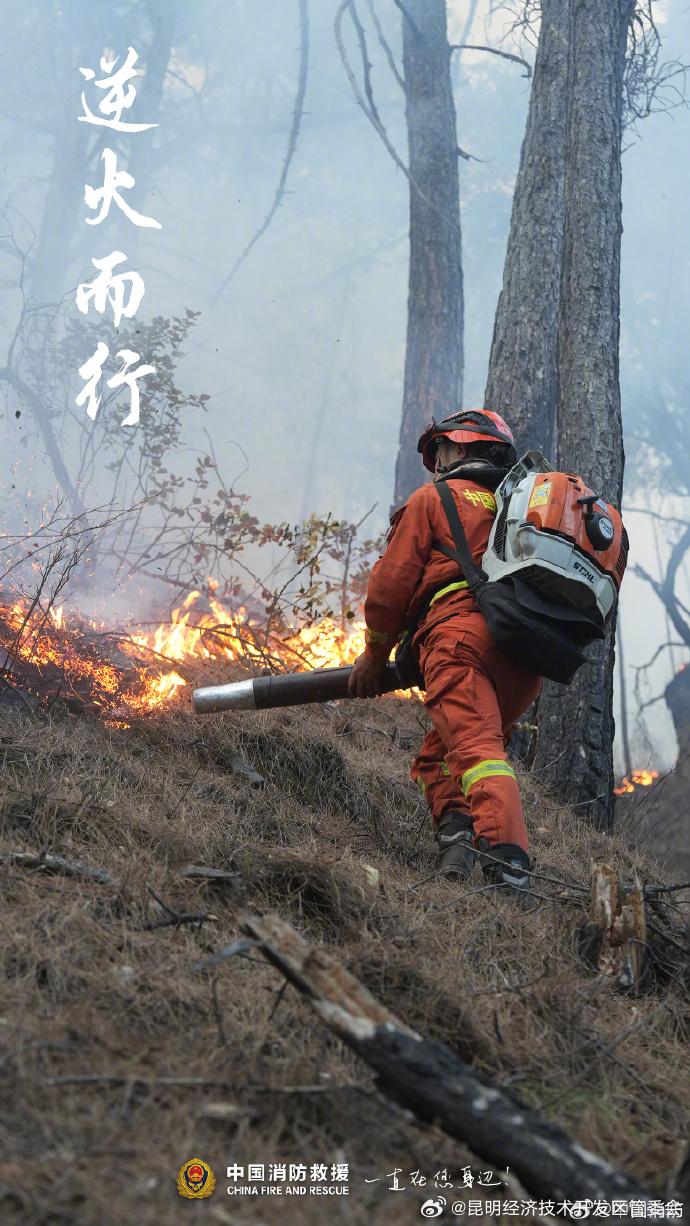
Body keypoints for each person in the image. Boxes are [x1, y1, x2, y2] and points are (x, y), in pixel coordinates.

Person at [348, 409, 542, 908]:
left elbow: (390, 586)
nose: (437, 460)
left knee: (477, 754)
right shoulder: (519, 510)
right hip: (523, 660)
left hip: (460, 641)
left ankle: (511, 879)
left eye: (441, 449)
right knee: (439, 757)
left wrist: (375, 653)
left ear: (459, 447)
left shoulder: (435, 498)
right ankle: (456, 855)